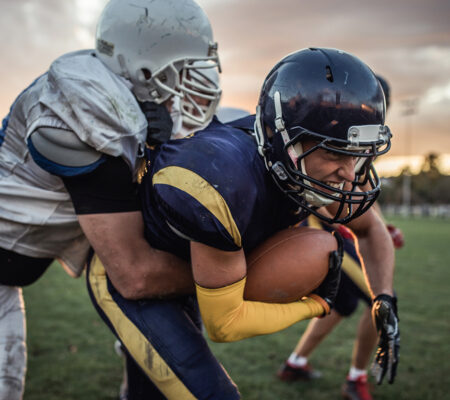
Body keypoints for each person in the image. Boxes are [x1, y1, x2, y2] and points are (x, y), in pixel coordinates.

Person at [86, 47, 399, 399]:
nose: (348, 173)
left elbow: (371, 230)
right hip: (141, 276)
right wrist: (317, 304)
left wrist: (383, 298)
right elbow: (226, 323)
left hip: (205, 266)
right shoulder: (225, 179)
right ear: (285, 142)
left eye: (358, 156)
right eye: (334, 153)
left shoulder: (311, 166)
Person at [0, 1, 221, 399]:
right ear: (143, 69)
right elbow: (134, 274)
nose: (195, 83)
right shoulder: (82, 118)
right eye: (183, 72)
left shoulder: (121, 94)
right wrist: (234, 275)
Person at [277, 75, 402, 400]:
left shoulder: (361, 138)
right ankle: (356, 379)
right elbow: (333, 191)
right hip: (321, 228)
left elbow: (356, 194)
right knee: (382, 300)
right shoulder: (331, 130)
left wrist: (382, 228)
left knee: (342, 304)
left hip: (336, 226)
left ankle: (295, 362)